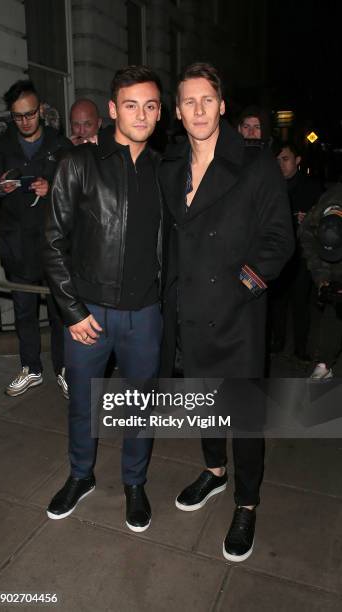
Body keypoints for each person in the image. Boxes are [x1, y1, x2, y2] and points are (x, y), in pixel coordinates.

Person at [159, 62, 294, 562]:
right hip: (189, 313)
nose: (198, 109)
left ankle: (247, 501)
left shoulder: (255, 164)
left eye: (206, 100)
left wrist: (241, 288)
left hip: (236, 314)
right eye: (188, 101)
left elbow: (280, 239)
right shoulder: (170, 167)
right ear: (177, 111)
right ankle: (214, 473)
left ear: (222, 105)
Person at [43, 65, 163, 532]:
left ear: (159, 113)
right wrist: (71, 310)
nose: (141, 114)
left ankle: (134, 482)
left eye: (150, 106)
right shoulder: (79, 163)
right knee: (82, 405)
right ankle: (80, 476)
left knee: (140, 404)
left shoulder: (165, 171)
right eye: (130, 105)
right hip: (88, 314)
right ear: (113, 110)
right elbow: (53, 241)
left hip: (146, 313)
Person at [0, 80, 72, 398]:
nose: (24, 122)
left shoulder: (59, 144)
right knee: (24, 309)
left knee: (58, 311)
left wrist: (52, 189)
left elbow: (77, 193)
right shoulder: (1, 146)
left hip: (52, 243)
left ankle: (64, 368)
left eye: (29, 114)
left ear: (40, 110)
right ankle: (31, 369)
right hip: (17, 243)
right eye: (17, 116)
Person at [269, 141, 323, 360]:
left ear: (297, 160)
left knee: (300, 301)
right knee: (278, 301)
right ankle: (278, 341)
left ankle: (301, 347)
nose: (281, 165)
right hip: (278, 253)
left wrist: (309, 219)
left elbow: (325, 219)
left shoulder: (311, 187)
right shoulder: (271, 185)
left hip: (302, 254)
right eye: (278, 160)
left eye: (286, 159)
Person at [300, 184, 342, 380]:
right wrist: (322, 278)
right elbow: (307, 244)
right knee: (333, 301)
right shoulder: (314, 220)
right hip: (329, 248)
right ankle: (324, 364)